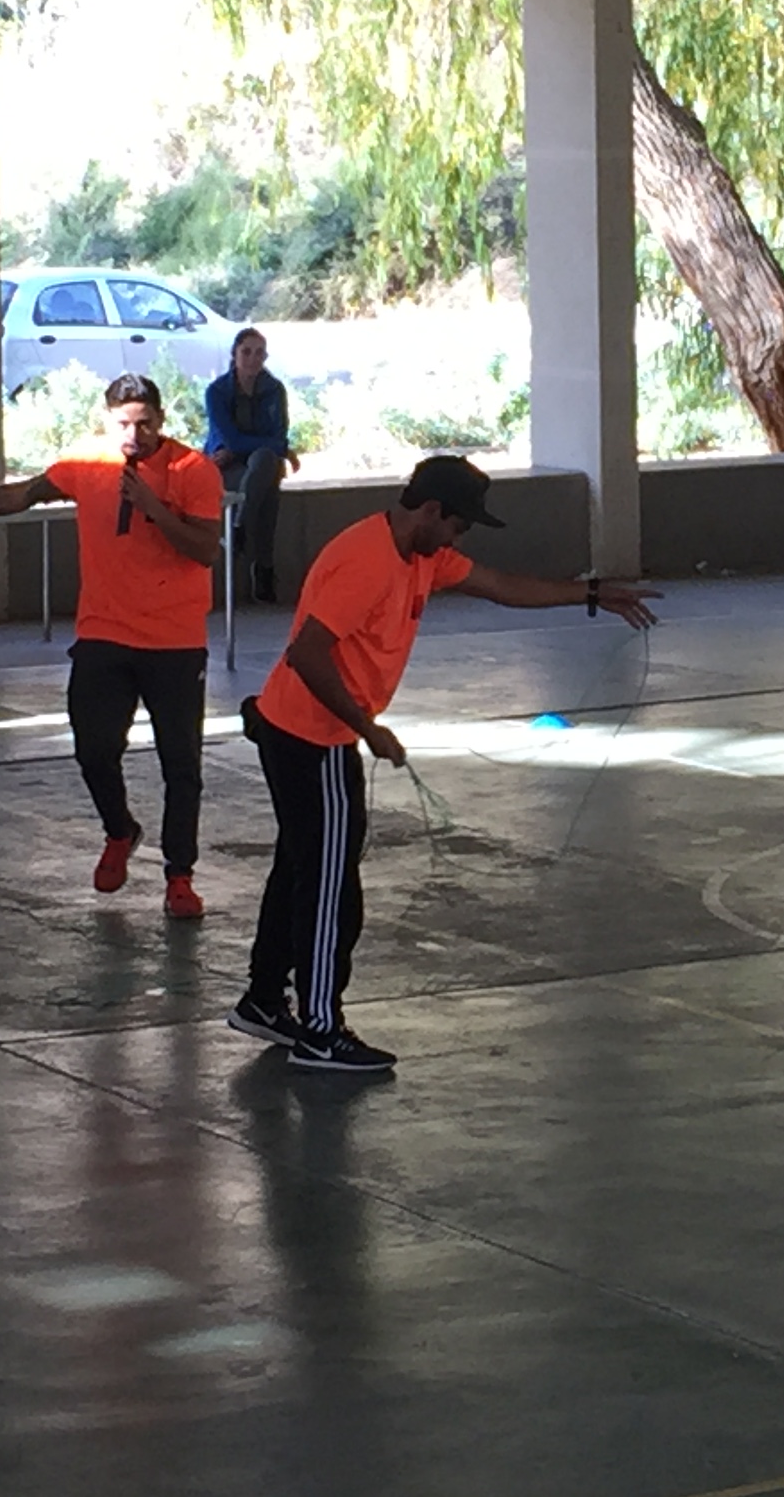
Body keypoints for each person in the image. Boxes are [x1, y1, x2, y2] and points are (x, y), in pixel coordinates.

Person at [236, 455, 657, 1074]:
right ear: (431, 511)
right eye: (459, 526)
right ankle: (320, 1030)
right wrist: (366, 728)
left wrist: (591, 594)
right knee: (330, 886)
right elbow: (307, 653)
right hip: (311, 735)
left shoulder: (421, 554)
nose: (459, 540)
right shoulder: (367, 561)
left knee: (303, 865)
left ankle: (264, 1001)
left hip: (301, 725)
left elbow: (500, 585)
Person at [0, 374, 223, 919]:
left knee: (181, 762)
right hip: (104, 633)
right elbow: (23, 494)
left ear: (161, 420)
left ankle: (180, 876)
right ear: (106, 420)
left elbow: (205, 549)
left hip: (174, 641)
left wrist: (154, 506)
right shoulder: (86, 462)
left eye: (145, 424)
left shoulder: (193, 470)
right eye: (123, 424)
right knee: (93, 747)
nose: (134, 436)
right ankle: (119, 830)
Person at [203, 327, 298, 604]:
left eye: (259, 353)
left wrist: (270, 447)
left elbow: (278, 436)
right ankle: (264, 568)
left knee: (264, 462)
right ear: (234, 354)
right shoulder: (217, 391)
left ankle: (239, 527)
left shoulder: (274, 390)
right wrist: (278, 449)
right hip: (227, 467)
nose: (253, 359)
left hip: (257, 463)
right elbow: (230, 439)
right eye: (246, 352)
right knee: (267, 480)